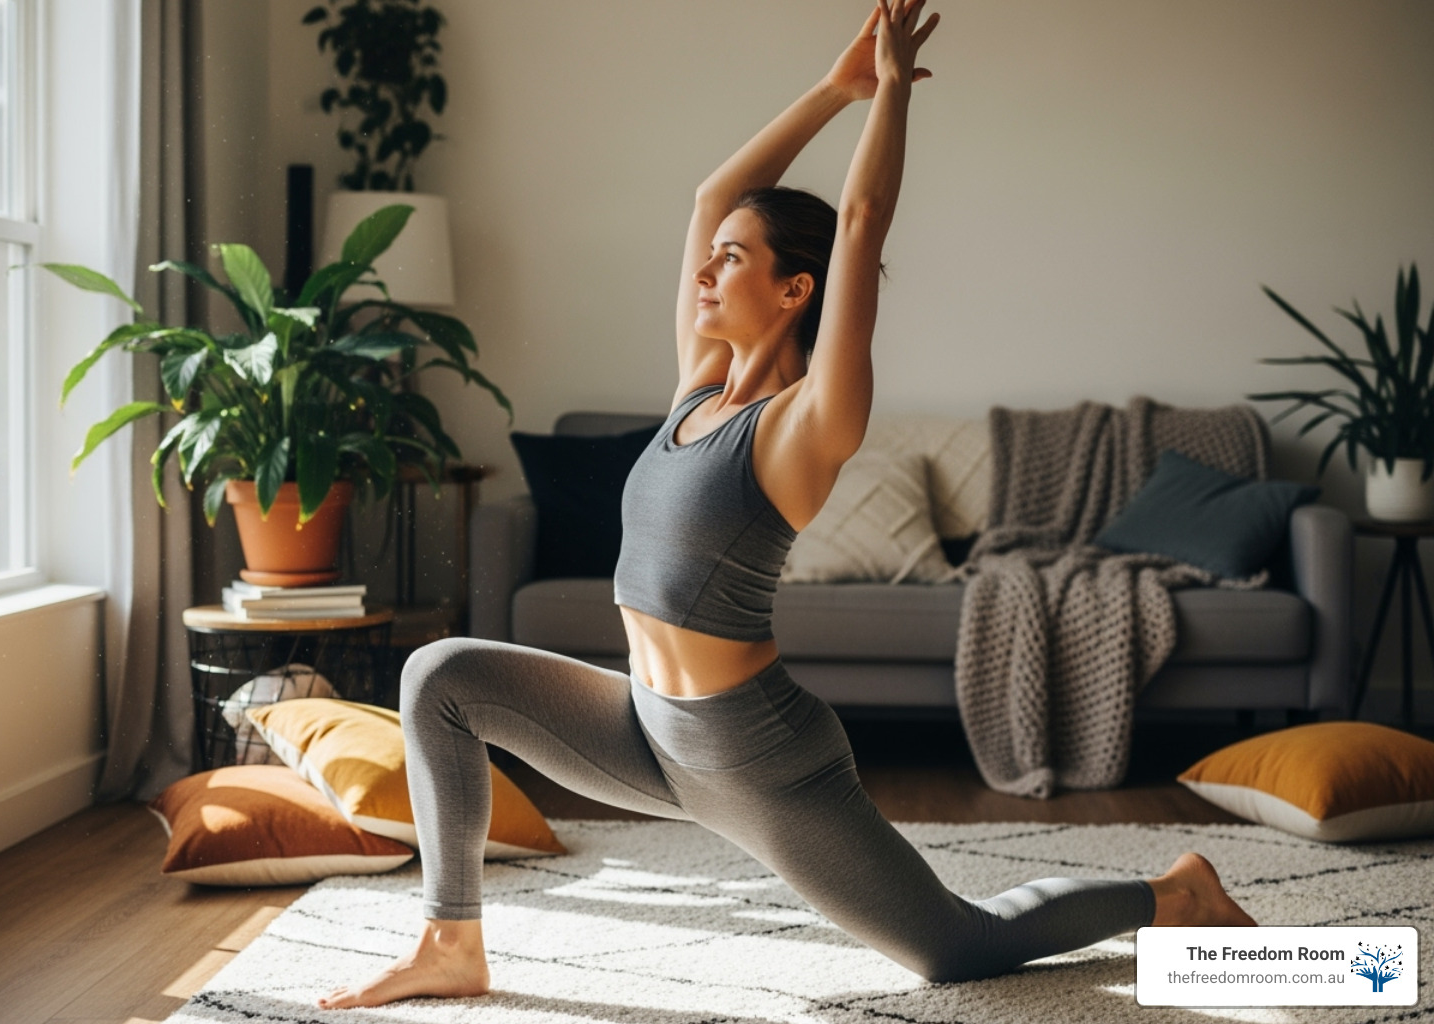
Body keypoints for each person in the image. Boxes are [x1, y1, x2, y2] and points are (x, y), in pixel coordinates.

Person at [319, 0, 1254, 1009]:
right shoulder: (696, 385)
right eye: (711, 257)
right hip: (646, 731)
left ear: (797, 289)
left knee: (956, 949)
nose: (708, 269)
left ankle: (1172, 892)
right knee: (440, 674)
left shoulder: (808, 422)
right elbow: (712, 192)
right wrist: (832, 88)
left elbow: (860, 223)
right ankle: (451, 940)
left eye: (734, 259)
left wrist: (891, 94)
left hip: (758, 759)